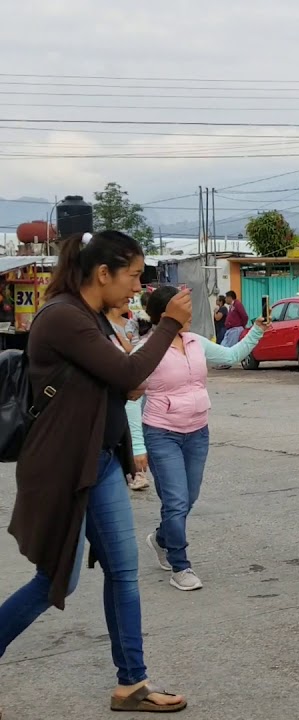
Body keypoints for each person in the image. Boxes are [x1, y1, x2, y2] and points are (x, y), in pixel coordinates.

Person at [2, 230, 190, 713]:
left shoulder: (90, 316)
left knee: (123, 573)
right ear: (102, 273)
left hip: (100, 461)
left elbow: (118, 382)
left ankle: (132, 683)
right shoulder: (64, 316)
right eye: (132, 275)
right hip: (64, 467)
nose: (137, 286)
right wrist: (167, 325)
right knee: (55, 582)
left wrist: (124, 377)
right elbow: (129, 375)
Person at [136, 285, 266, 592]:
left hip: (197, 431)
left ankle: (161, 539)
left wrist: (257, 331)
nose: (191, 314)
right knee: (176, 500)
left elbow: (232, 355)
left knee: (188, 497)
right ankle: (180, 565)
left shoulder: (195, 342)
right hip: (160, 432)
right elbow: (130, 397)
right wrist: (138, 446)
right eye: (184, 308)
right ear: (164, 314)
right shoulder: (147, 348)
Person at [106, 300, 150, 492]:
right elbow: (127, 351)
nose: (129, 302)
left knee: (138, 422)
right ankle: (134, 471)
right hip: (122, 383)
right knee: (128, 425)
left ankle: (137, 471)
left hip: (139, 379)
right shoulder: (105, 325)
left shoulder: (130, 323)